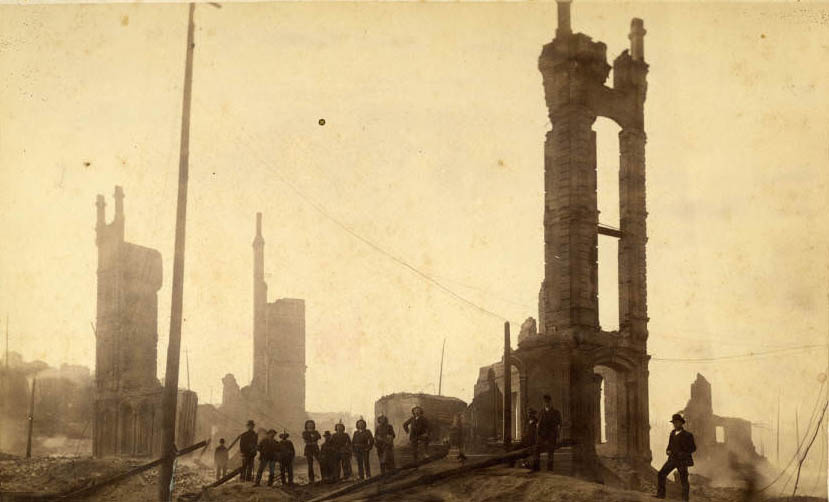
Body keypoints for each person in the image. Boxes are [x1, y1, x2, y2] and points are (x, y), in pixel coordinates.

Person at [656, 413, 697, 501]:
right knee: (661, 474)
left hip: (682, 461)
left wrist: (683, 454)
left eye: (677, 422)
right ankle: (661, 494)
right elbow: (669, 445)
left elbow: (693, 448)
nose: (675, 424)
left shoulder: (688, 435)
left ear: (681, 423)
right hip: (672, 459)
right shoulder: (672, 433)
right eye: (674, 423)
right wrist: (667, 450)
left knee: (683, 480)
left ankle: (685, 499)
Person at [536, 395, 561, 472]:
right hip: (542, 435)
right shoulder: (541, 412)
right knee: (537, 449)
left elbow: (559, 425)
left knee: (550, 452)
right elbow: (538, 424)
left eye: (548, 401)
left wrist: (557, 435)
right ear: (544, 402)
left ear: (550, 402)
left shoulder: (556, 412)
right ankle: (537, 467)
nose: (546, 403)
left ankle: (550, 469)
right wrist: (539, 434)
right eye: (545, 402)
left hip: (551, 435)